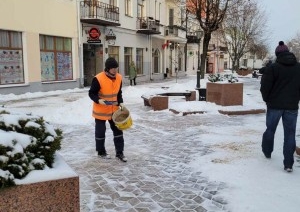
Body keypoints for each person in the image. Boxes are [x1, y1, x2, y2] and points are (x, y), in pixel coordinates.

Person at [260, 41, 300, 172]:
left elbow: (265, 87)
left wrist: (267, 100)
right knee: (290, 134)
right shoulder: (298, 68)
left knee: (270, 129)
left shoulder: (273, 68)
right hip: (292, 106)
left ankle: (267, 151)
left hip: (274, 105)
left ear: (277, 54)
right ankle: (288, 164)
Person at [88, 57, 127, 162]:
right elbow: (91, 93)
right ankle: (101, 152)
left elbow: (119, 93)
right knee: (100, 132)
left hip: (114, 110)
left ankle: (120, 153)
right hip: (101, 110)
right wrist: (98, 100)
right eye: (112, 68)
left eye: (116, 68)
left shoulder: (119, 77)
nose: (115, 70)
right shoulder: (98, 78)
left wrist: (121, 102)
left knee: (118, 131)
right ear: (107, 68)